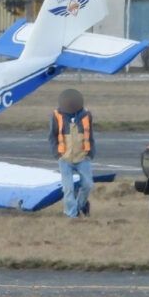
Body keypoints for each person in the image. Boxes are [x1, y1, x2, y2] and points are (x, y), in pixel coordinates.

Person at [49, 88, 95, 218]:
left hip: (82, 157)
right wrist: (57, 154)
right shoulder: (56, 115)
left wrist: (90, 153)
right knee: (68, 188)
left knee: (87, 184)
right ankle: (72, 215)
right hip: (65, 158)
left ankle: (81, 205)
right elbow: (52, 136)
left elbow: (90, 135)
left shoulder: (87, 115)